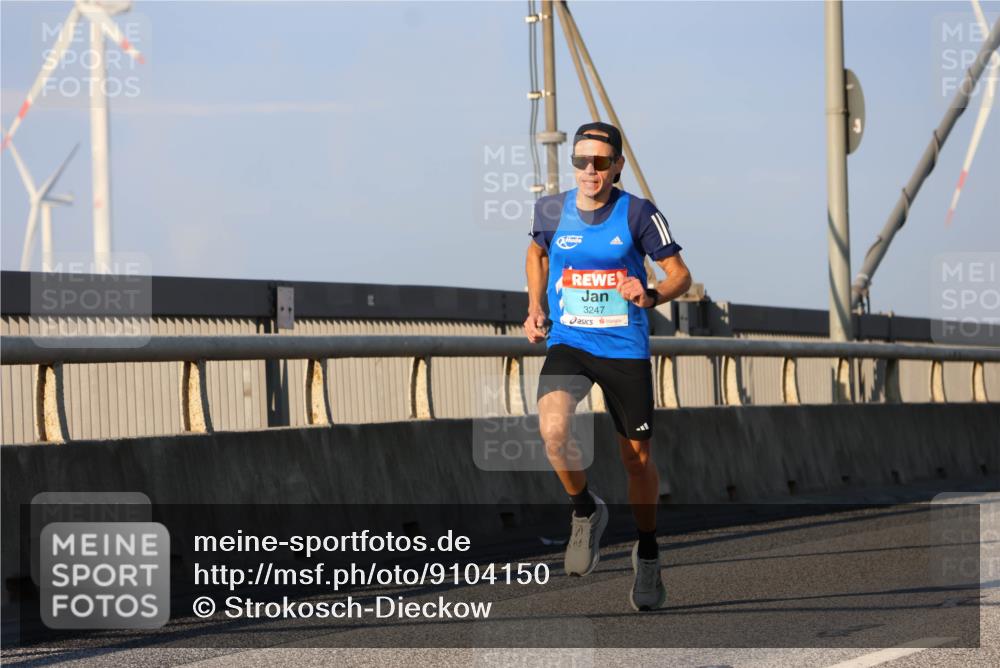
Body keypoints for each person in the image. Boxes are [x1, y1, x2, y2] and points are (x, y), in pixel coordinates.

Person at [523, 121, 691, 611]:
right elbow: (535, 253)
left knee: (635, 459)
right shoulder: (552, 210)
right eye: (581, 161)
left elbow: (680, 275)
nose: (590, 170)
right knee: (552, 430)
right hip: (570, 340)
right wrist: (535, 306)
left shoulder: (639, 213)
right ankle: (584, 511)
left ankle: (649, 550)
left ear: (617, 165)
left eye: (600, 161)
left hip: (623, 348)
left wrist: (652, 292)